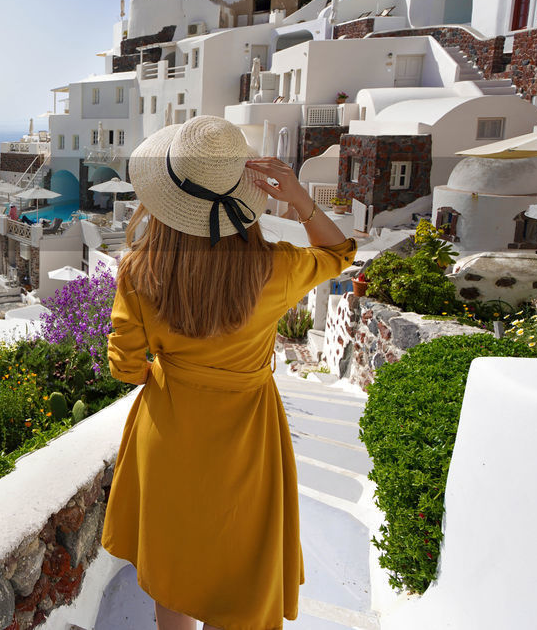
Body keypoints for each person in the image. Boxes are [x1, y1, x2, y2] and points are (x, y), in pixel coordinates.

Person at [99, 116, 356, 630]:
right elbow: (339, 253)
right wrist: (300, 201)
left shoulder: (138, 271)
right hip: (248, 435)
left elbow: (125, 367)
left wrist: (169, 374)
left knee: (173, 566)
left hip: (169, 433)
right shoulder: (277, 269)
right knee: (239, 564)